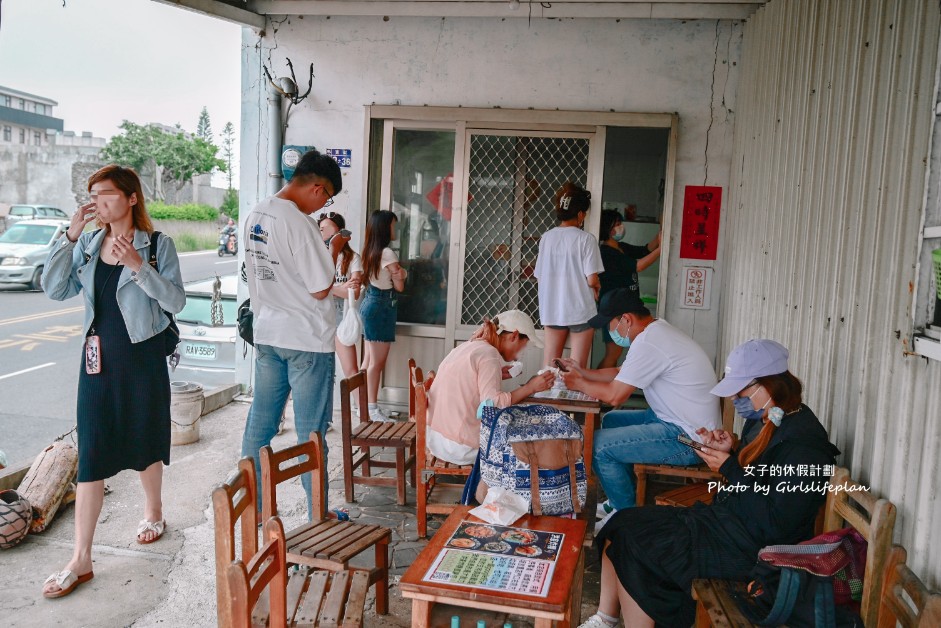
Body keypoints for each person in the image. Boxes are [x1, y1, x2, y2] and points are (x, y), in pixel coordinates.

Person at [577, 339, 840, 628]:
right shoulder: (768, 418)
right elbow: (759, 473)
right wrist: (733, 450)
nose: (736, 400)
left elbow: (777, 524)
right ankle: (606, 619)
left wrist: (729, 467)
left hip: (750, 550)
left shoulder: (805, 445)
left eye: (741, 392)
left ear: (769, 385)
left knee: (637, 546)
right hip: (726, 521)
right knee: (622, 523)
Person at [40, 165, 185, 598]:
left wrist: (138, 265)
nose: (97, 201)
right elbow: (55, 288)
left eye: (106, 193)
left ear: (131, 198)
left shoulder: (158, 245)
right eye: (93, 194)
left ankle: (153, 510)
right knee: (93, 451)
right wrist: (68, 237)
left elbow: (176, 299)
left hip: (141, 357)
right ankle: (80, 558)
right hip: (96, 361)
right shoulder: (87, 242)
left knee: (144, 441)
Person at [241, 149, 348, 519]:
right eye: (328, 197)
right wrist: (332, 248)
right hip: (305, 340)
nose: (324, 205)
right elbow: (321, 288)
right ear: (317, 188)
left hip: (268, 334)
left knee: (261, 425)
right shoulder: (299, 224)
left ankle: (251, 510)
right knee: (311, 434)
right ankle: (317, 515)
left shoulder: (256, 212)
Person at [559, 287, 720, 519]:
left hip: (690, 440)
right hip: (673, 421)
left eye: (610, 324)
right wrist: (583, 373)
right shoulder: (655, 331)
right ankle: (619, 499)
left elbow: (615, 395)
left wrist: (579, 384)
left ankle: (625, 515)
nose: (609, 330)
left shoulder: (650, 342)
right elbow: (620, 372)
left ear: (626, 319)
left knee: (598, 447)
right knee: (612, 420)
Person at [426, 311, 555, 465]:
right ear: (514, 336)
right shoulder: (489, 354)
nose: (518, 356)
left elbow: (470, 381)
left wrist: (498, 375)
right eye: (523, 346)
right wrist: (530, 387)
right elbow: (492, 404)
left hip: (436, 438)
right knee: (529, 440)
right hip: (459, 446)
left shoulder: (471, 346)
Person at [534, 181, 604, 368]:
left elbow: (540, 276)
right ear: (581, 214)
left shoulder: (546, 238)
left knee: (550, 364)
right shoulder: (586, 239)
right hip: (581, 310)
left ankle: (547, 395)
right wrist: (597, 286)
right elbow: (591, 279)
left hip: (552, 308)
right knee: (577, 367)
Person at [596, 209, 661, 368]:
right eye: (617, 224)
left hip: (625, 309)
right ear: (608, 229)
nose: (621, 227)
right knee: (613, 354)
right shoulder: (606, 252)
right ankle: (599, 388)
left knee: (616, 355)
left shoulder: (621, 247)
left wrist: (660, 237)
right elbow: (638, 266)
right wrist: (663, 249)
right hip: (615, 311)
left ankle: (602, 387)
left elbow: (645, 250)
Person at [359, 210, 407, 422]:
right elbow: (399, 285)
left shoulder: (370, 250)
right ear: (384, 228)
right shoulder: (387, 253)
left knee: (368, 361)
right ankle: (371, 409)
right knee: (375, 364)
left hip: (372, 303)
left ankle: (362, 406)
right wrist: (403, 274)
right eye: (393, 225)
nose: (395, 230)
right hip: (381, 306)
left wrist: (400, 273)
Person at [317, 211, 363, 379]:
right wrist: (341, 287)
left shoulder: (352, 258)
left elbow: (355, 292)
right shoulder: (317, 257)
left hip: (341, 320)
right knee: (320, 373)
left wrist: (326, 288)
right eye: (321, 229)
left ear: (340, 231)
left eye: (327, 228)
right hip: (317, 321)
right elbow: (309, 289)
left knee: (352, 372)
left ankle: (361, 406)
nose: (323, 233)